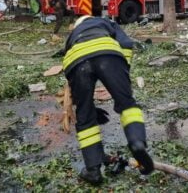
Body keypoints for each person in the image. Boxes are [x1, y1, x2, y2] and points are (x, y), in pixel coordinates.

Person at [62, 15, 153, 185]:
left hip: (76, 62)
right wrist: (122, 72)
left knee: (84, 116)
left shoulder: (73, 34)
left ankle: (93, 171)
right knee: (128, 105)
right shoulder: (106, 22)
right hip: (109, 54)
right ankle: (137, 143)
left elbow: (71, 75)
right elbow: (126, 43)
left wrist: (88, 107)